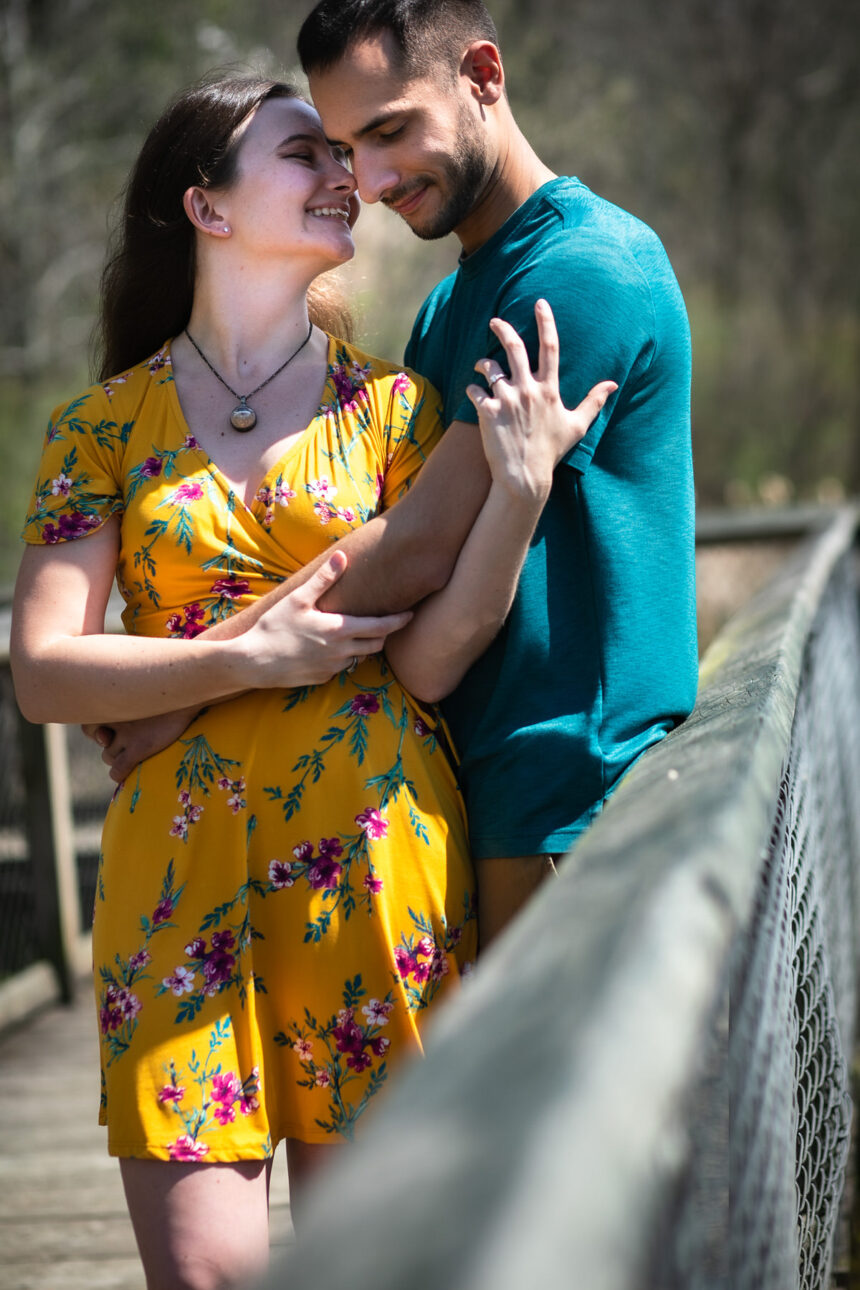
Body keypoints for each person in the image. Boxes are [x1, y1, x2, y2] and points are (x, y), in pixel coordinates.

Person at [10, 74, 612, 1290]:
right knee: (204, 1275)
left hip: (371, 864)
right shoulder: (98, 429)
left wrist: (518, 495)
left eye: (346, 153)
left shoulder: (396, 410)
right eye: (305, 153)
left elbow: (433, 655)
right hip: (172, 886)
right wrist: (244, 657)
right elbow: (42, 671)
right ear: (207, 208)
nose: (347, 174)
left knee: (370, 1271)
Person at [296, 0, 699, 944]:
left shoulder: (585, 270)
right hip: (476, 808)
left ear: (482, 76)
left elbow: (417, 547)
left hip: (571, 812)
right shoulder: (449, 304)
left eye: (391, 130)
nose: (373, 179)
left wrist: (186, 682)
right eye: (348, 147)